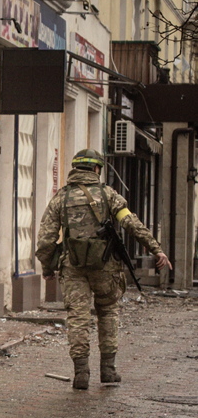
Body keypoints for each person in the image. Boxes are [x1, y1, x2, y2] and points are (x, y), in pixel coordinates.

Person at [34, 148, 172, 389]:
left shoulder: (61, 198)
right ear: (96, 169)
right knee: (107, 312)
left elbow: (45, 238)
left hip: (73, 267)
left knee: (78, 317)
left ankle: (81, 374)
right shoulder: (109, 195)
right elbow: (132, 224)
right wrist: (156, 249)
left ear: (75, 169)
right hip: (106, 267)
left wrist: (47, 268)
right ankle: (108, 370)